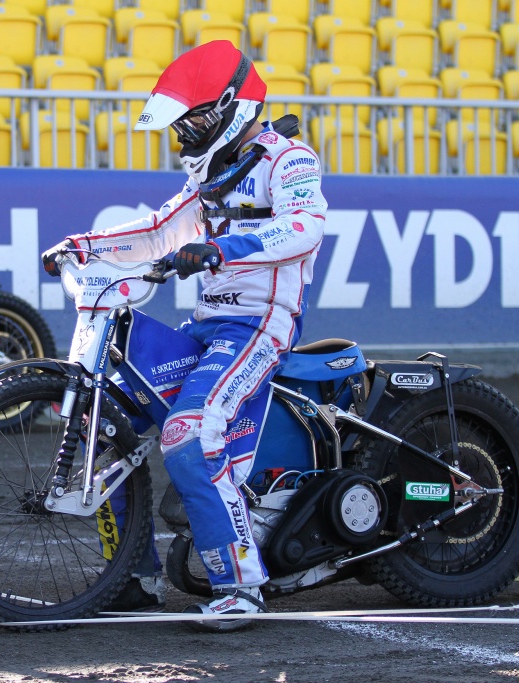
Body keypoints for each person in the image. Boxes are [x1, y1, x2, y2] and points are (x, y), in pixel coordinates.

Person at [41, 41, 327, 631]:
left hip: (260, 325)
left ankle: (241, 585)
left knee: (189, 431)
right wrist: (82, 246)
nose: (186, 133)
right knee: (108, 416)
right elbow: (157, 230)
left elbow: (305, 228)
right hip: (206, 328)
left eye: (195, 120)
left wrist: (222, 248)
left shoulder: (288, 159)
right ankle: (133, 577)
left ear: (232, 109)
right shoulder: (209, 171)